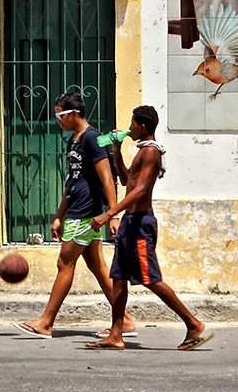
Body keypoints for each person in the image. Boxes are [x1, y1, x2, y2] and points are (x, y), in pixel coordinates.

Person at [87, 105, 209, 352]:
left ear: (142, 126)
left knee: (149, 279)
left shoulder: (151, 152)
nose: (129, 127)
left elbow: (141, 190)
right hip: (130, 223)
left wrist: (109, 213)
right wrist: (116, 151)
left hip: (140, 224)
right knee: (119, 278)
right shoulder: (141, 152)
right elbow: (124, 180)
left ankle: (193, 323)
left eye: (132, 124)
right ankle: (116, 334)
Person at [15, 92, 121, 339]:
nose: (58, 120)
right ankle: (124, 320)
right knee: (96, 266)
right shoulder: (74, 140)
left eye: (60, 116)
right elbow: (72, 181)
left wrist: (113, 214)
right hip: (76, 210)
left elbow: (107, 178)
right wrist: (59, 215)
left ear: (74, 114)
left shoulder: (92, 139)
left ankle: (45, 323)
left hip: (85, 212)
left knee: (65, 263)